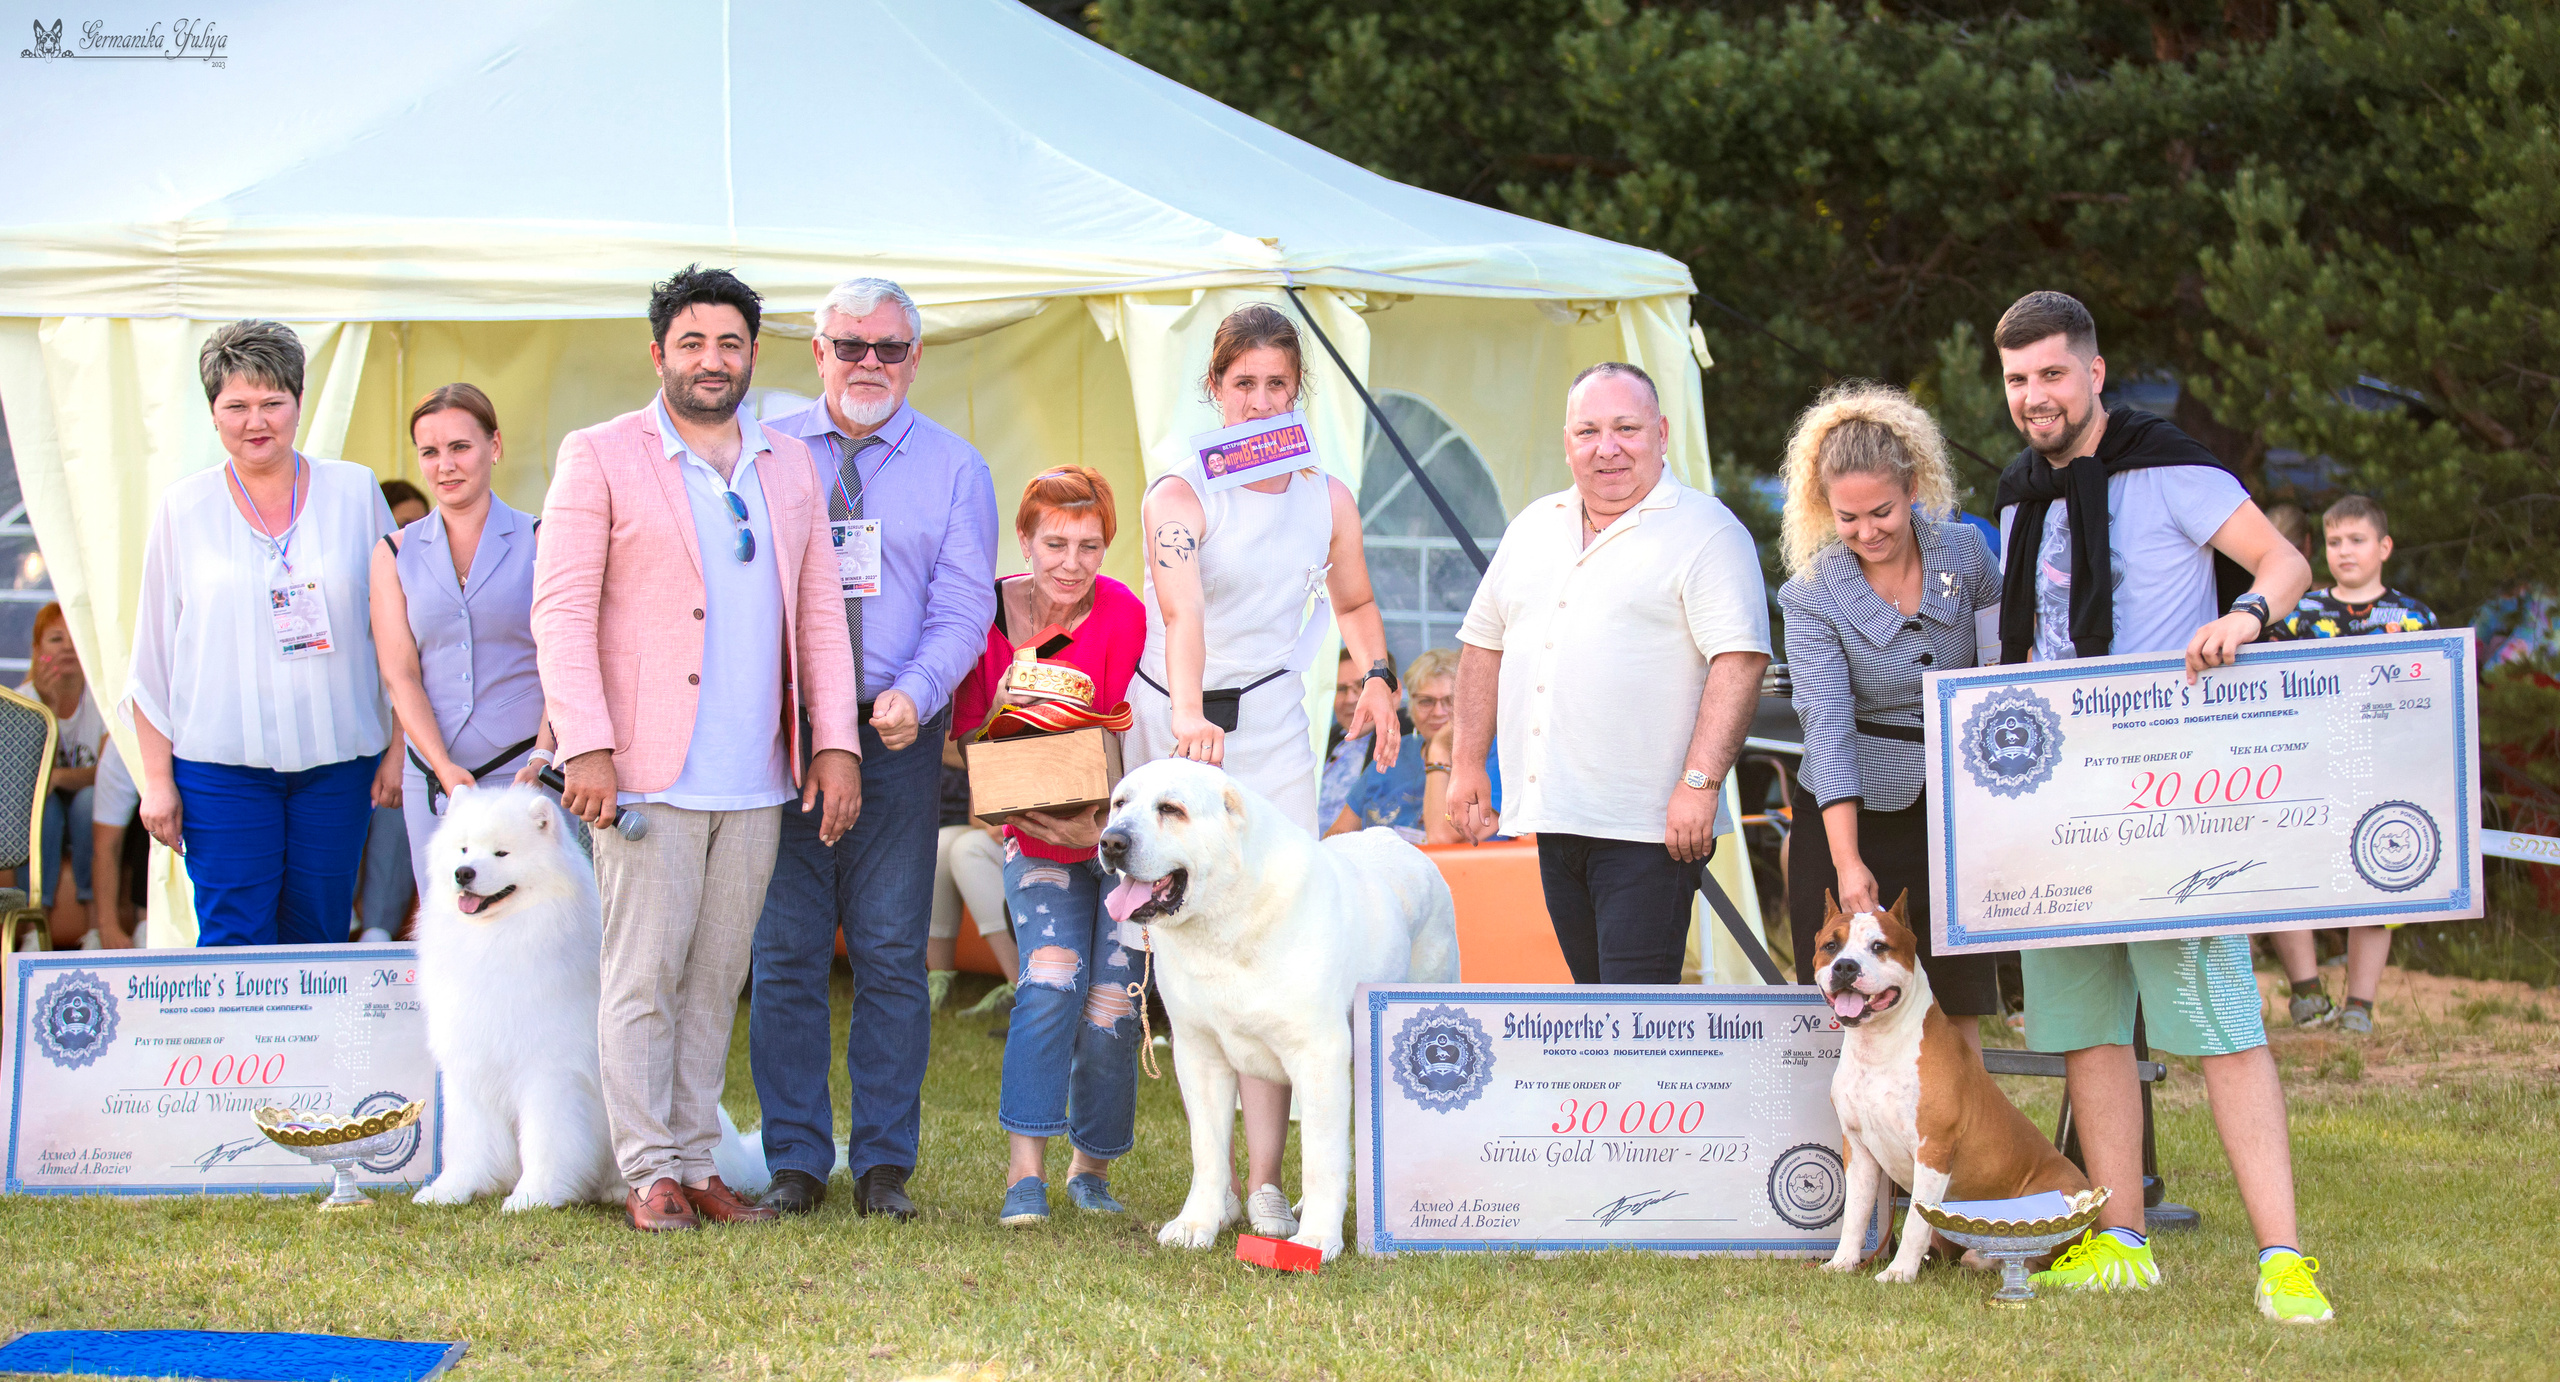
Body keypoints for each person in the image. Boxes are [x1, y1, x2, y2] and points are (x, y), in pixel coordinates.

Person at [1987, 291, 2327, 1320]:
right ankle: (2120, 1236)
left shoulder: (2171, 466)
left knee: (2218, 1023)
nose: (2033, 396)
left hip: (2170, 794)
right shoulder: (2015, 494)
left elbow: (2286, 562)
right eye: (2014, 380)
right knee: (2087, 1025)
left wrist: (2243, 614)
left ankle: (2282, 1257)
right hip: (2057, 796)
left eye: (2051, 373)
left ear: (2094, 372)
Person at [533, 265, 862, 1232]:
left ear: (754, 355)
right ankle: (647, 1174)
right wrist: (586, 745)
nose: (711, 361)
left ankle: (697, 1160)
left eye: (729, 344)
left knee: (717, 980)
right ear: (659, 354)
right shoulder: (598, 455)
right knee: (644, 975)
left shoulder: (789, 464)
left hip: (756, 774)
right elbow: (559, 613)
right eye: (692, 343)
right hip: (643, 772)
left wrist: (834, 744)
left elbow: (819, 615)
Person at [1129, 301, 1404, 1239]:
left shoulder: (1325, 495)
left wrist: (1376, 678)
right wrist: (1189, 715)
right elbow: (1182, 612)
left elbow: (1355, 596)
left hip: (1277, 724)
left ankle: (1267, 1184)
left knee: (1281, 936)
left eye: (1275, 385)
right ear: (1215, 388)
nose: (1257, 401)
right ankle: (1186, 1182)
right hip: (1179, 715)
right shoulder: (1179, 490)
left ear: (1297, 392)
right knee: (1172, 933)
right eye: (1240, 384)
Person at [747, 276, 998, 1221]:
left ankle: (885, 1166)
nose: (868, 364)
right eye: (850, 345)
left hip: (897, 730)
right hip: (784, 733)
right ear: (816, 352)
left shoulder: (956, 467)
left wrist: (918, 691)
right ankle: (797, 1164)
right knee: (786, 952)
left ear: (915, 359)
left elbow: (967, 600)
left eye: (889, 348)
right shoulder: (764, 456)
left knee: (893, 953)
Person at [1447, 362, 1771, 984]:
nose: (1608, 448)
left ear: (1662, 432)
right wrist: (1466, 765)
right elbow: (1483, 647)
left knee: (1633, 1015)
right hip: (1553, 815)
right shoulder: (1534, 526)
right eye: (1588, 431)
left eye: (1626, 427)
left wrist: (1700, 785)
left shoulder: (1707, 531)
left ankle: (1647, 1088)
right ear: (1567, 442)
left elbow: (1740, 659)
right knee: (1596, 1008)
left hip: (1650, 826)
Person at [125, 321, 398, 947]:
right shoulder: (182, 508)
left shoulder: (353, 490)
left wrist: (397, 745)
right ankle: (239, 1055)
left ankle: (312, 1051)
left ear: (299, 405)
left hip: (338, 764)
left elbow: (396, 630)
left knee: (319, 935)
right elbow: (153, 655)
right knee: (233, 942)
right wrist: (157, 780)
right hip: (219, 769)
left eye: (273, 403)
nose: (257, 421)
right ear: (213, 414)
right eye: (237, 406)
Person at [1773, 384, 2003, 1057]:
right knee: (1847, 1010)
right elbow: (1828, 726)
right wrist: (1849, 865)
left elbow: (1999, 678)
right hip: (1853, 810)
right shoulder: (1810, 595)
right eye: (1848, 518)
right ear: (1824, 507)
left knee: (1953, 1006)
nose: (1868, 531)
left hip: (1953, 809)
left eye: (1883, 512)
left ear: (1913, 488)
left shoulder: (1967, 556)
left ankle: (1951, 1155)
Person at [951, 466, 1146, 1227]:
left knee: (1113, 1003)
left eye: (1090, 545)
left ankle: (1089, 1165)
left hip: (1123, 840)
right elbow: (968, 728)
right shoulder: (991, 615)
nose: (1071, 562)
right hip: (1035, 835)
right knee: (1049, 981)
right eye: (1055, 543)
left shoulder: (1125, 611)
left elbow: (1135, 711)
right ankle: (1022, 1173)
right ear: (1025, 541)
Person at [370, 383, 554, 915]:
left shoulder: (542, 538)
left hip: (527, 773)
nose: (445, 465)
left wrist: (543, 753)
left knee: (538, 935)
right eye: (430, 452)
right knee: (451, 934)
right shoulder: (393, 553)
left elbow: (565, 662)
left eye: (460, 447)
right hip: (434, 777)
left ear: (494, 446)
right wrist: (443, 768)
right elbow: (400, 674)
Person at [2264, 495, 2436, 1034]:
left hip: (2384, 773)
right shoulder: (2298, 615)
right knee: (2291, 873)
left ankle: (2360, 1004)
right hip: (2307, 768)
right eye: (2335, 542)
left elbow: (2436, 698)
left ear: (2384, 547)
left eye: (2357, 540)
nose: (2345, 552)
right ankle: (2307, 993)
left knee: (2378, 879)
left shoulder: (2415, 619)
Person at [18, 604, 105, 946]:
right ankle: (32, 928)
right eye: (56, 639)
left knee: (88, 801)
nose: (68, 647)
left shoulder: (103, 697)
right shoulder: (22, 703)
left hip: (91, 801)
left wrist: (56, 778)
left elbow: (109, 773)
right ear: (38, 651)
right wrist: (49, 708)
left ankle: (95, 928)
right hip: (46, 807)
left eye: (75, 638)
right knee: (45, 808)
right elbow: (25, 782)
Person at [1328, 647, 1460, 842]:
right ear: (1412, 704)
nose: (1438, 712)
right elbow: (1338, 832)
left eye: (1449, 700)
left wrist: (1439, 747)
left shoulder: (1487, 755)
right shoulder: (1392, 750)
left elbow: (1442, 839)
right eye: (1426, 701)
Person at [926, 750, 1017, 1014]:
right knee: (940, 847)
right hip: (1008, 831)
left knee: (968, 850)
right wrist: (996, 822)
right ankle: (938, 978)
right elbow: (976, 816)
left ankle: (1021, 983)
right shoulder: (998, 725)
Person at [1316, 650, 1367, 830]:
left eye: (1360, 686)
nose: (1350, 699)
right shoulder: (1321, 741)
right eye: (1341, 689)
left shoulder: (1404, 745)